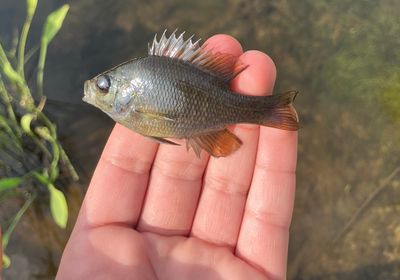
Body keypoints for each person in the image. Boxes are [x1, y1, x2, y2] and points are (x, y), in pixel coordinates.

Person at [56, 34, 298, 280]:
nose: (95, 88)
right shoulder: (134, 102)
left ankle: (269, 111)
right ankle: (272, 111)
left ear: (126, 90)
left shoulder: (135, 107)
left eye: (103, 86)